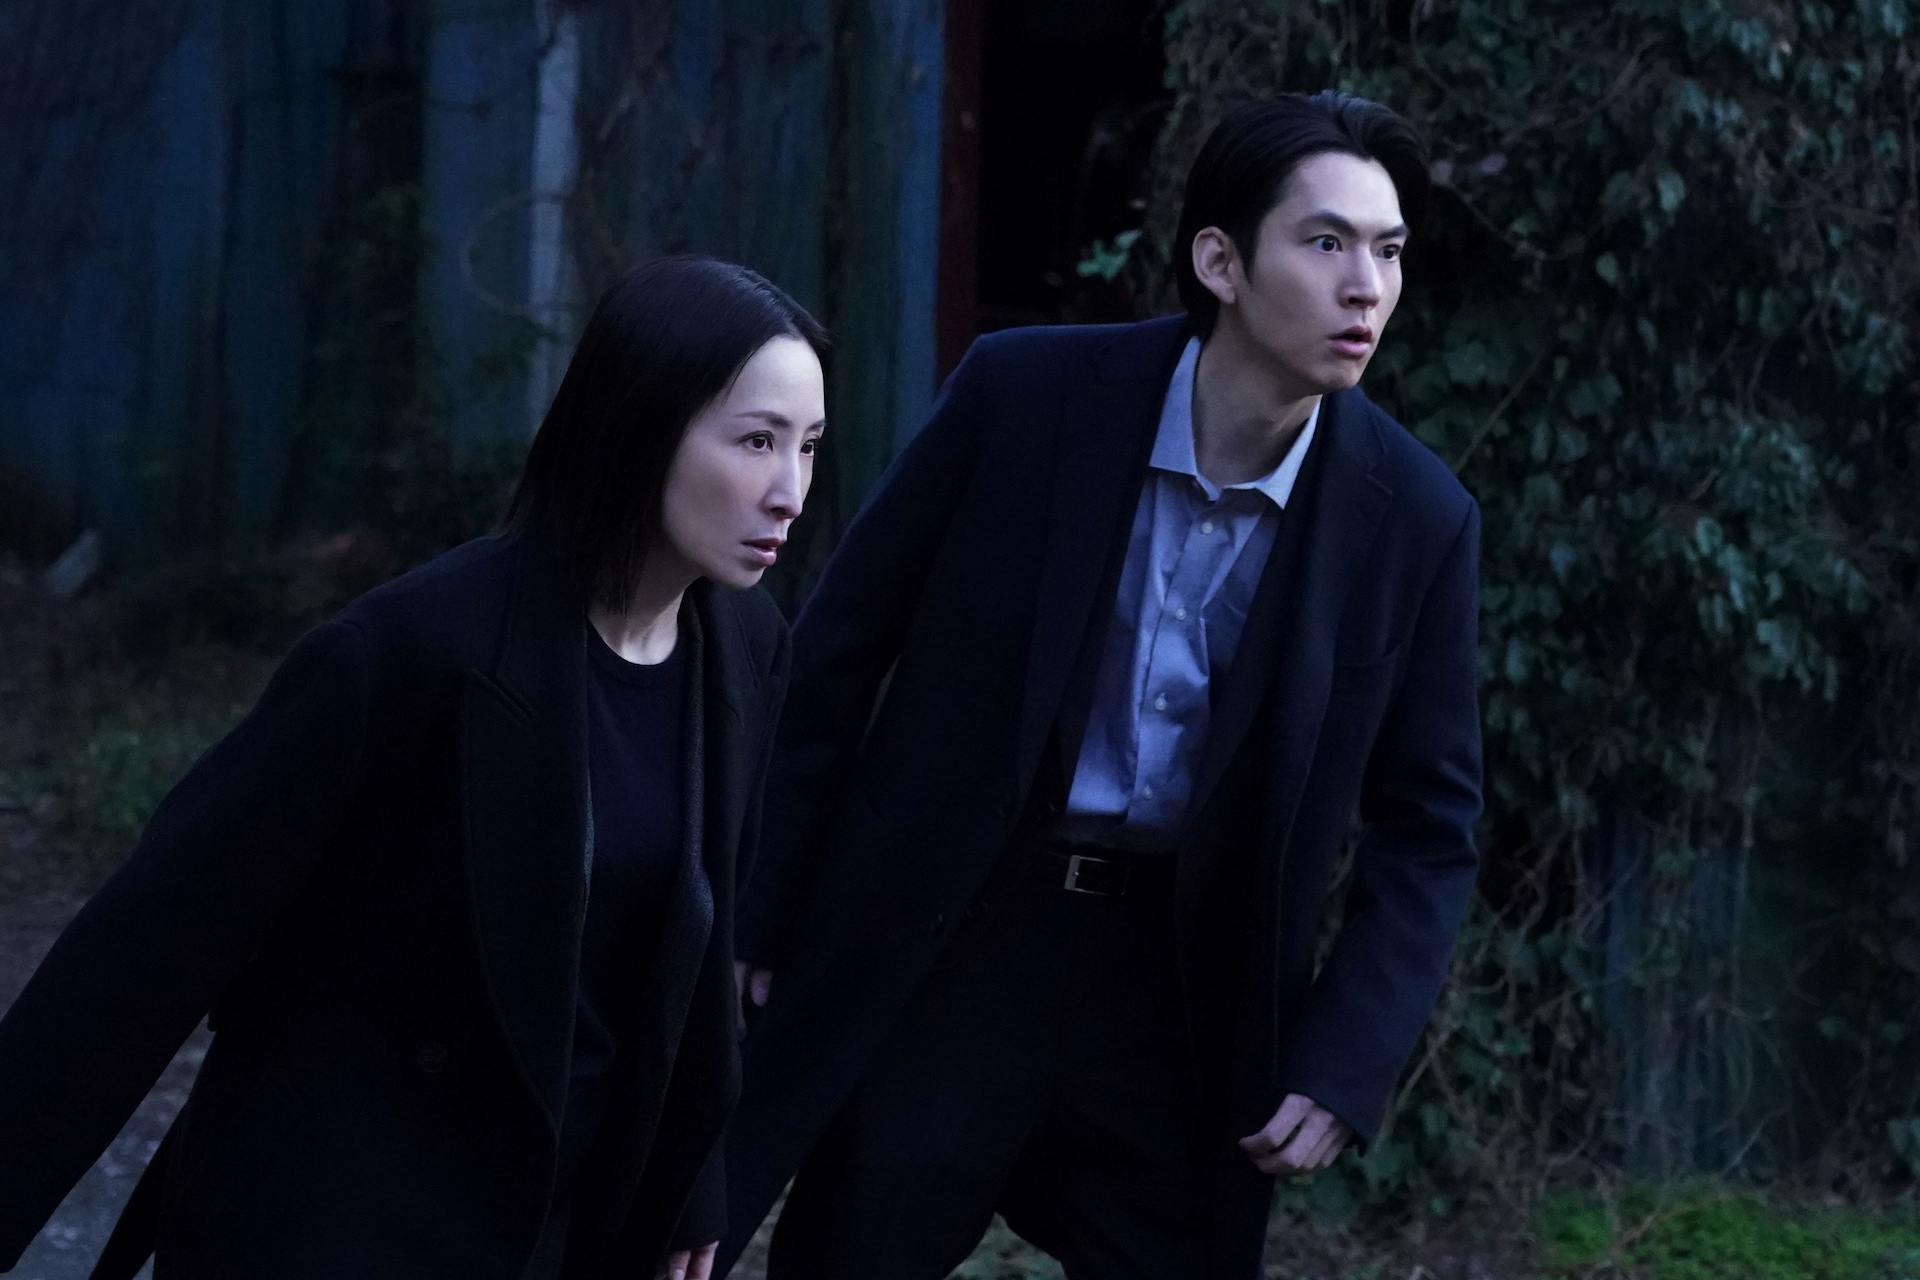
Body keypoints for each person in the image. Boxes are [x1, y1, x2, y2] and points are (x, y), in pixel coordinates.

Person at [721, 91, 1483, 1278]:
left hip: (1180, 993)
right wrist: (767, 906)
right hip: (964, 934)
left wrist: (1346, 1057)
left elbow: (1430, 825)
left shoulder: (1417, 516)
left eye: (1387, 250)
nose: (1366, 287)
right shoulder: (1026, 397)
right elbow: (837, 645)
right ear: (1221, 262)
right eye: (1326, 242)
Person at [0, 256, 826, 1280]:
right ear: (639, 426)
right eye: (756, 441)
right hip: (344, 1211)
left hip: (564, 1218)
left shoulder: (745, 643)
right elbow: (143, 950)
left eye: (808, 446)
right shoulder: (413, 652)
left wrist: (689, 1180)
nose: (790, 492)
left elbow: (695, 944)